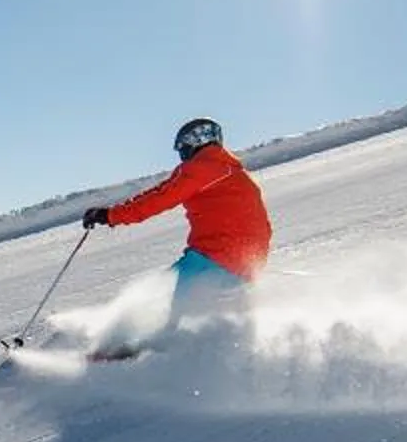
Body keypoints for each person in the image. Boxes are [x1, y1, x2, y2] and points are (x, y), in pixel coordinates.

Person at [83, 117, 272, 319]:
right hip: (247, 262)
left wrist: (110, 215)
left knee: (156, 301)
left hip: (214, 256)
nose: (182, 155)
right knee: (212, 317)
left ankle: (133, 344)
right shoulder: (234, 172)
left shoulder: (200, 168)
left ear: (193, 143)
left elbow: (159, 197)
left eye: (182, 148)